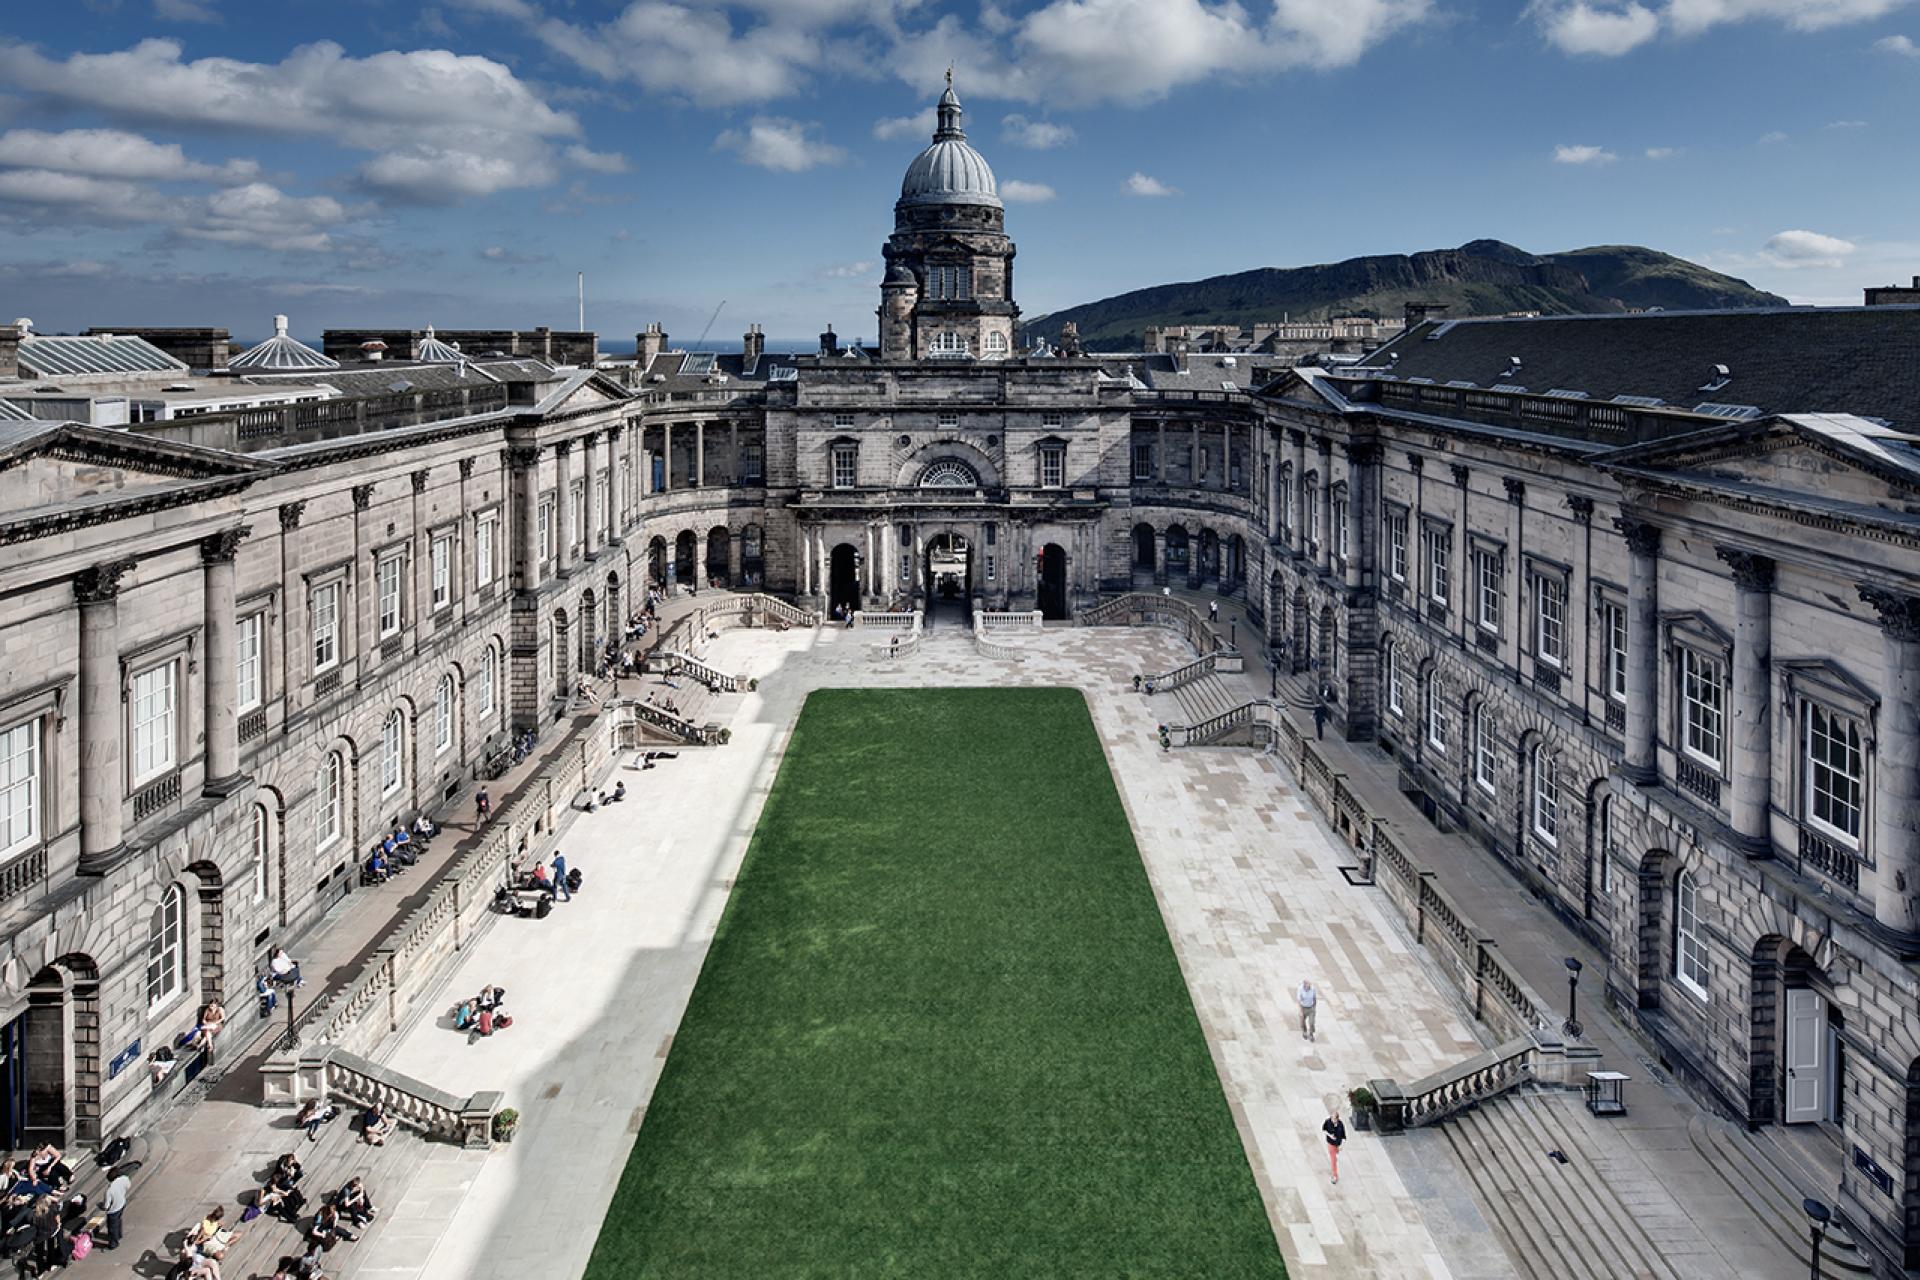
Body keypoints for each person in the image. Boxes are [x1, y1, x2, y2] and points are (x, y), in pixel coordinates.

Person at [1322, 1110, 1347, 1185]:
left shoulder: (1340, 1124)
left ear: (1337, 1119)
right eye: (1331, 1118)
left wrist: (1342, 1145)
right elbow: (1323, 1130)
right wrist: (1330, 1135)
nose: (1332, 1120)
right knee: (1333, 1160)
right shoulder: (1328, 1122)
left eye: (1334, 1119)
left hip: (1338, 1144)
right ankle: (1335, 1176)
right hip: (1331, 1143)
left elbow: (1344, 1136)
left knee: (1336, 1153)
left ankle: (1336, 1153)